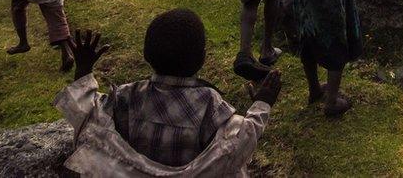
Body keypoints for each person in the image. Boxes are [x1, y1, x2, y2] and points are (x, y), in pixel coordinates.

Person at [55, 12, 282, 176]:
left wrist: (84, 71)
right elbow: (242, 140)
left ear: (146, 55)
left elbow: (87, 115)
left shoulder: (126, 96)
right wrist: (262, 103)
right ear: (202, 59)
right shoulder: (210, 105)